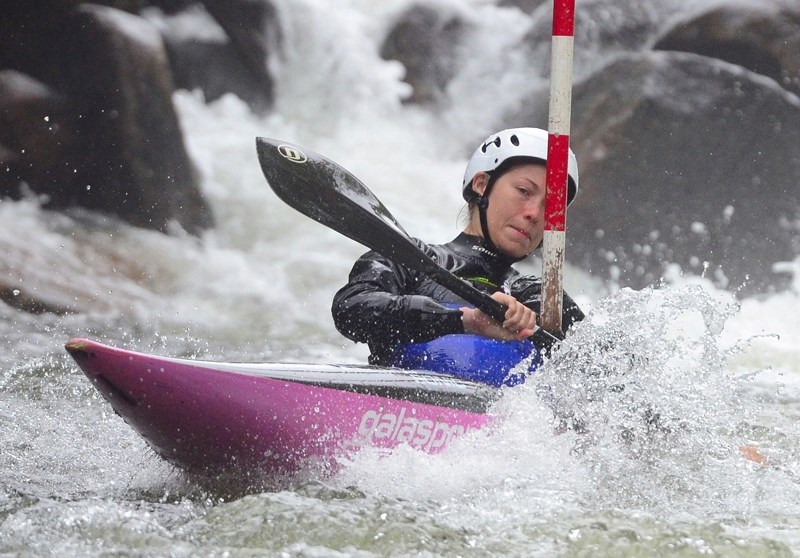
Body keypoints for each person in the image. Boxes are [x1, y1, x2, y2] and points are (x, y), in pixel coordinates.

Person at [331, 127, 584, 365]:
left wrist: (545, 329)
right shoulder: (406, 258)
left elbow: (602, 375)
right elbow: (350, 310)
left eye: (551, 206)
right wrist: (465, 321)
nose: (534, 213)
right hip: (390, 412)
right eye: (524, 191)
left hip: (504, 411)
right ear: (481, 184)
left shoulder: (543, 299)